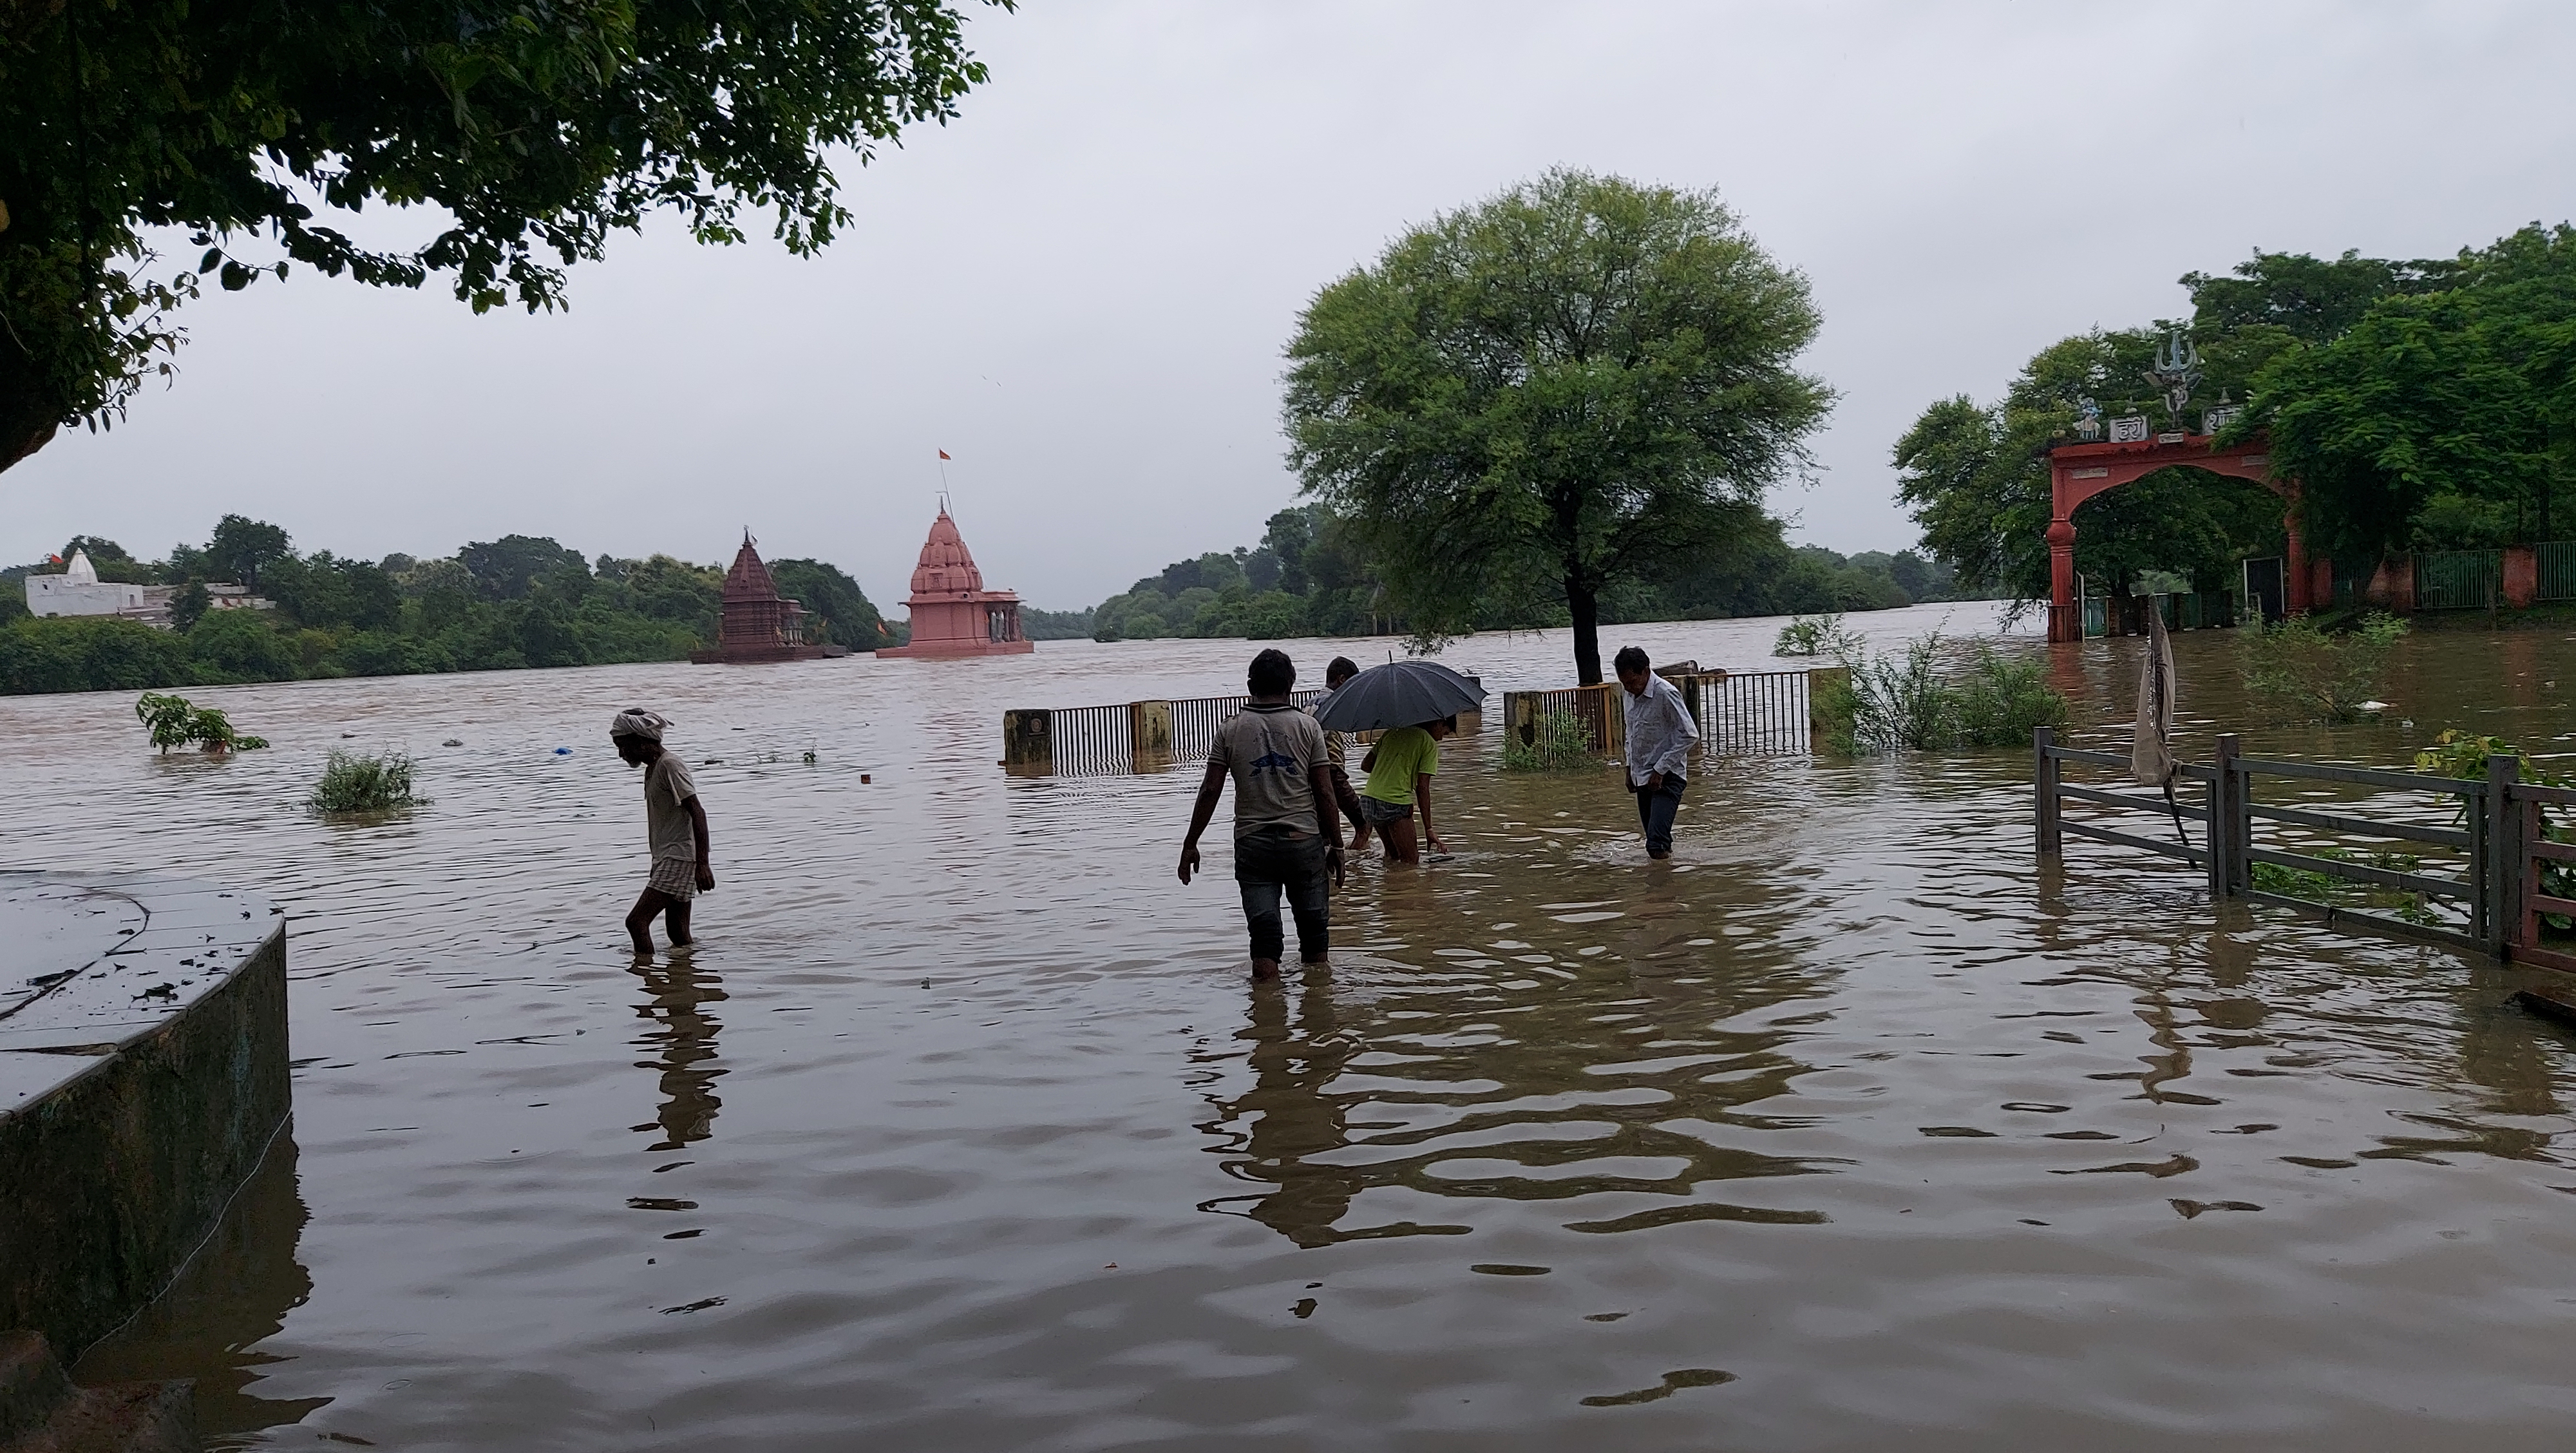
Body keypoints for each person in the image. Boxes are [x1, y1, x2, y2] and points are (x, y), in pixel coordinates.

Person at [1180, 649, 1343, 980]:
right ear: (1291, 684)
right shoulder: (1309, 728)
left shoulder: (1229, 730)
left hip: (1254, 847)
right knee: (1315, 940)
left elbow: (1209, 790)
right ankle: (1318, 1020)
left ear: (1250, 684)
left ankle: (1268, 1021)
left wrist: (1190, 843)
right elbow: (1325, 792)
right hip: (1303, 842)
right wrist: (1338, 845)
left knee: (1264, 942)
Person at [612, 708, 714, 954]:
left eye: (624, 747)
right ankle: (686, 980)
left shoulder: (670, 765)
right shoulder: (654, 767)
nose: (621, 754)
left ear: (642, 741)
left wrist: (703, 865)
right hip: (667, 857)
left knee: (636, 923)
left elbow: (697, 812)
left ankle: (649, 979)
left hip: (678, 858)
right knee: (678, 934)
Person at [1614, 645, 1698, 859]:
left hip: (1668, 775)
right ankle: (1670, 876)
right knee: (1657, 840)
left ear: (1645, 671)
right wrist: (1629, 769)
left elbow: (1689, 734)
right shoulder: (1628, 693)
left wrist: (1660, 769)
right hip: (1641, 774)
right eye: (1624, 684)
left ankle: (1660, 890)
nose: (1629, 688)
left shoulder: (1665, 693)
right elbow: (1631, 733)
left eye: (1632, 682)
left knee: (1655, 845)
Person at [1358, 714, 1454, 866]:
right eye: (1445, 733)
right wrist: (1429, 829)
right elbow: (1422, 788)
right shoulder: (1428, 743)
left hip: (1369, 801)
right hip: (1394, 803)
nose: (1441, 739)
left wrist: (1390, 763)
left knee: (1392, 857)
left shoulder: (1392, 732)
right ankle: (1403, 889)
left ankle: (1390, 887)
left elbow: (1366, 766)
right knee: (1410, 862)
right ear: (1439, 723)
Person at [1314, 656, 1372, 857]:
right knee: (1364, 823)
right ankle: (1357, 865)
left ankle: (1331, 870)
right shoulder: (1330, 704)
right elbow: (1317, 741)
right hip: (1332, 772)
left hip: (1315, 776)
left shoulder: (1312, 702)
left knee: (1324, 830)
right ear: (1341, 680)